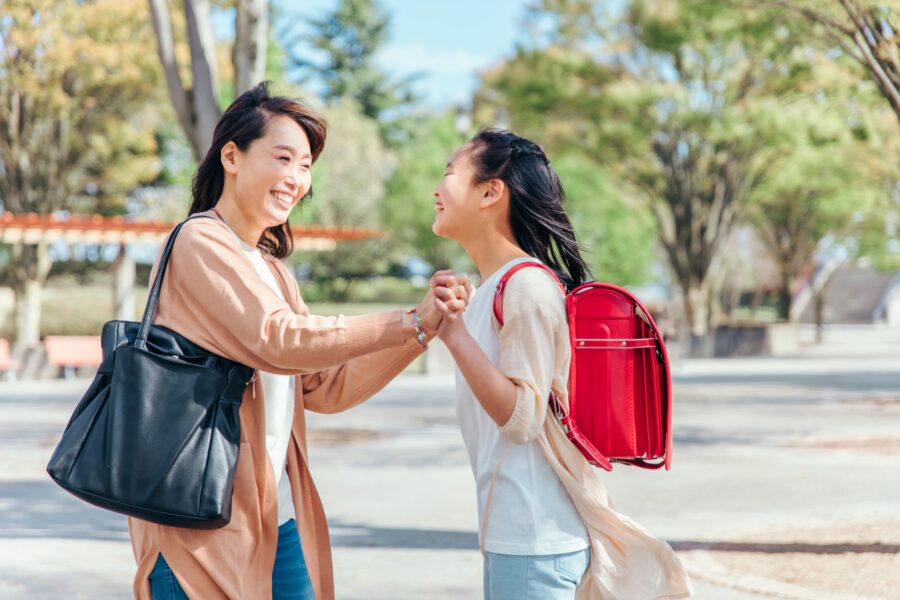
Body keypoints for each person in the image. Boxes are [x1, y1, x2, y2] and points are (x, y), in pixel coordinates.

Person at [129, 81, 471, 600]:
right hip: (196, 527)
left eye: (306, 166)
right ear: (232, 156)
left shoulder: (273, 271)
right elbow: (278, 338)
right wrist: (406, 320)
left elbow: (322, 384)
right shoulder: (200, 241)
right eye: (283, 157)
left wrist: (422, 330)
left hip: (275, 519)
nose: (296, 178)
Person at [429, 129, 693, 599]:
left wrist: (453, 335)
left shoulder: (528, 286)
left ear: (491, 192)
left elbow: (522, 418)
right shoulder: (491, 287)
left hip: (535, 540)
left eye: (450, 173)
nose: (437, 188)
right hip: (514, 535)